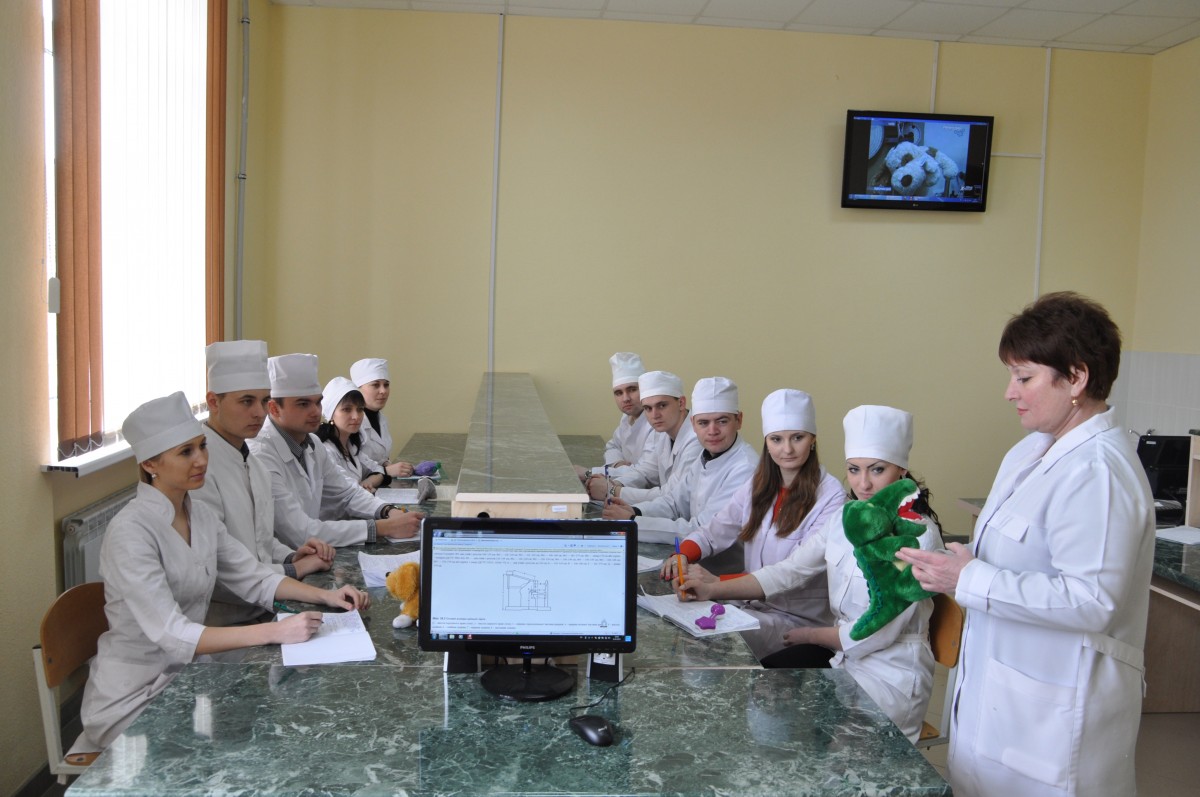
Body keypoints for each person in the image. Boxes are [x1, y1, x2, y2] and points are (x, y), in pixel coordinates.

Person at [898, 292, 1155, 796]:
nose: (1009, 393)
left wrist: (970, 578)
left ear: (1076, 377)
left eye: (1023, 377)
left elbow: (1091, 599)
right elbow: (1017, 560)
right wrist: (959, 566)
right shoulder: (1030, 451)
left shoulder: (1097, 472)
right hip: (1001, 703)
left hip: (1055, 723)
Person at [70, 392, 370, 754]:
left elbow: (253, 575)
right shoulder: (131, 533)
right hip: (132, 697)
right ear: (150, 464)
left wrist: (327, 596)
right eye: (185, 452)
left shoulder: (199, 515)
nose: (201, 460)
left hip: (188, 681)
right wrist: (276, 631)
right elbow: (172, 633)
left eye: (202, 446)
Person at [676, 405, 944, 743]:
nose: (863, 484)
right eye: (854, 470)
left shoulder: (917, 537)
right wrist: (712, 590)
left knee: (840, 749)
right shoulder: (846, 519)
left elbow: (876, 632)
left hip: (891, 673)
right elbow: (790, 569)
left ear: (901, 471)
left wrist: (812, 635)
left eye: (877, 470)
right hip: (844, 660)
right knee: (775, 707)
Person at [659, 389, 845, 658]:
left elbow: (791, 573)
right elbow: (715, 530)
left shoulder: (831, 497)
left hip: (793, 619)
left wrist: (716, 584)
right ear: (767, 442)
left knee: (707, 642)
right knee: (678, 624)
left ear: (812, 439)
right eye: (776, 439)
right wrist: (683, 555)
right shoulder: (759, 484)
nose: (787, 449)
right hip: (749, 605)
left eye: (797, 438)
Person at [196, 341, 335, 627]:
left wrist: (291, 555)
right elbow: (220, 566)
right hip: (224, 624)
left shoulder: (251, 462)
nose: (260, 412)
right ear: (213, 402)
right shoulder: (198, 469)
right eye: (247, 401)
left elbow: (258, 538)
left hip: (264, 606)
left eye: (263, 401)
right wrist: (294, 569)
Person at [249, 353, 422, 547]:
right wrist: (384, 527)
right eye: (303, 404)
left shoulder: (312, 444)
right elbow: (298, 531)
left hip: (313, 551)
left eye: (318, 402)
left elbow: (347, 493)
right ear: (273, 408)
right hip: (281, 559)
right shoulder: (260, 453)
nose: (316, 411)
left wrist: (388, 511)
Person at [603, 377, 758, 547]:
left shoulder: (745, 468)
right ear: (693, 424)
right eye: (703, 423)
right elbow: (675, 502)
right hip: (697, 554)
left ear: (739, 420)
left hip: (726, 562)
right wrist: (636, 510)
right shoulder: (707, 455)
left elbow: (703, 530)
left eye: (722, 421)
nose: (712, 431)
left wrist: (633, 521)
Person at [585, 370, 701, 505]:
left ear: (681, 403)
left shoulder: (696, 439)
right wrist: (614, 483)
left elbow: (673, 494)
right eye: (648, 408)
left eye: (662, 405)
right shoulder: (663, 431)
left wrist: (613, 491)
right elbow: (646, 472)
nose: (655, 415)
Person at [318, 376, 388, 492]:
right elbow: (346, 491)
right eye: (347, 409)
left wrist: (367, 483)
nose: (356, 416)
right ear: (331, 413)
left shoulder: (350, 445)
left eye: (360, 409)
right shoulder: (326, 451)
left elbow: (378, 470)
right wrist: (362, 490)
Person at [351, 357, 415, 478]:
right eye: (375, 385)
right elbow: (353, 466)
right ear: (358, 389)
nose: (383, 391)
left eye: (386, 385)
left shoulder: (382, 419)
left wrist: (387, 464)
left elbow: (380, 457)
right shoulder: (351, 424)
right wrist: (386, 470)